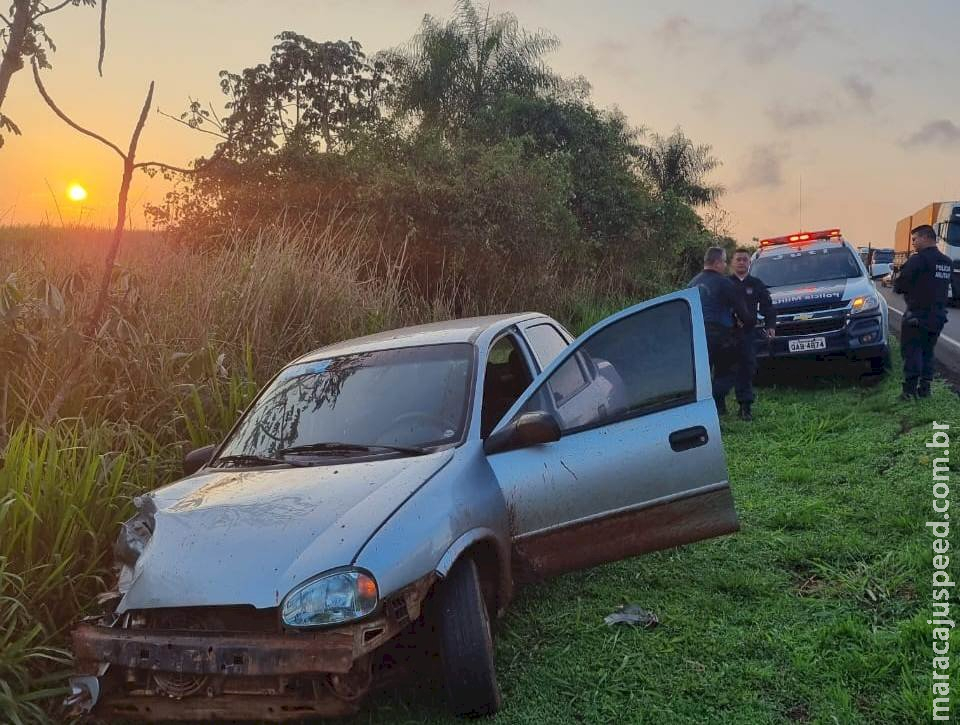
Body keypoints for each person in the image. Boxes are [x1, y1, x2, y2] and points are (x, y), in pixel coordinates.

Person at [687, 247, 751, 414]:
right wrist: (748, 324)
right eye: (723, 261)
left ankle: (718, 409)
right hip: (721, 336)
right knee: (729, 371)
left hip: (697, 336)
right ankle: (715, 398)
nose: (724, 265)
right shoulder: (725, 283)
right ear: (716, 263)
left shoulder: (691, 283)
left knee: (705, 373)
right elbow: (741, 310)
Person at [893, 224, 952, 399]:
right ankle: (925, 388)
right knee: (928, 351)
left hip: (916, 316)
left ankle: (909, 392)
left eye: (915, 239)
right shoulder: (946, 262)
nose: (913, 243)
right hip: (938, 316)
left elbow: (899, 285)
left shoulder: (918, 260)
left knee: (912, 352)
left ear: (926, 237)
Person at [729, 248, 776, 421]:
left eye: (744, 260)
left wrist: (771, 325)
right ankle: (719, 405)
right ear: (732, 263)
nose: (741, 262)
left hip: (748, 333)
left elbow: (767, 307)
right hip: (727, 334)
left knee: (746, 368)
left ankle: (745, 406)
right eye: (738, 259)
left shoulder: (756, 284)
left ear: (749, 263)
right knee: (725, 370)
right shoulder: (725, 283)